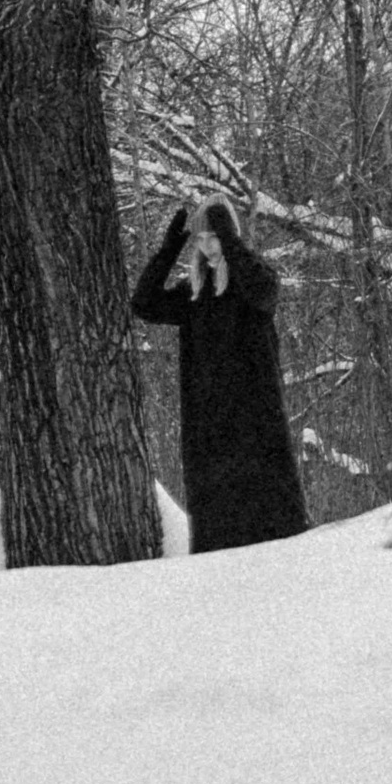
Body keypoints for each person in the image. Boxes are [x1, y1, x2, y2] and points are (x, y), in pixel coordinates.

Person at [130, 192, 311, 552]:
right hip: (209, 435)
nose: (208, 246)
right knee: (219, 545)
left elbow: (262, 291)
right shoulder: (193, 295)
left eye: (214, 236)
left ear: (229, 235)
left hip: (255, 431)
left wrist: (230, 238)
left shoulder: (253, 282)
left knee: (272, 540)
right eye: (201, 239)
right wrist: (170, 248)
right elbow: (144, 304)